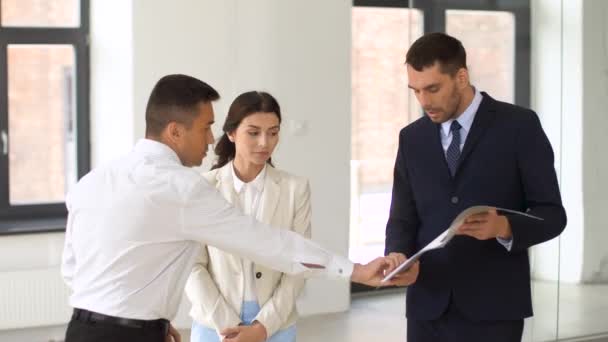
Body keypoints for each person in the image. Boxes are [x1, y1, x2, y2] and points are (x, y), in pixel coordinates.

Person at [60, 74, 393, 342]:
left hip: (80, 329)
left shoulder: (92, 181)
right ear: (175, 131)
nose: (209, 139)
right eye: (205, 127)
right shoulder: (183, 188)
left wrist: (148, 320)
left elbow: (72, 269)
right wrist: (355, 271)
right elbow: (268, 243)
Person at [383, 32, 567, 342]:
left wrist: (505, 226)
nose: (424, 101)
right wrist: (398, 258)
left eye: (433, 88)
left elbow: (552, 214)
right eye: (415, 91)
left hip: (495, 309)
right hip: (427, 307)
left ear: (461, 77)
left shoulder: (519, 126)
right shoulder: (411, 138)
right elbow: (402, 218)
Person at [185, 91, 308, 342]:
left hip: (276, 324)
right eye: (253, 133)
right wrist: (228, 326)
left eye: (273, 132)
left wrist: (263, 327)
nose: (265, 142)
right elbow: (191, 265)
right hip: (214, 322)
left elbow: (300, 264)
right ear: (231, 133)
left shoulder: (296, 188)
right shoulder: (202, 188)